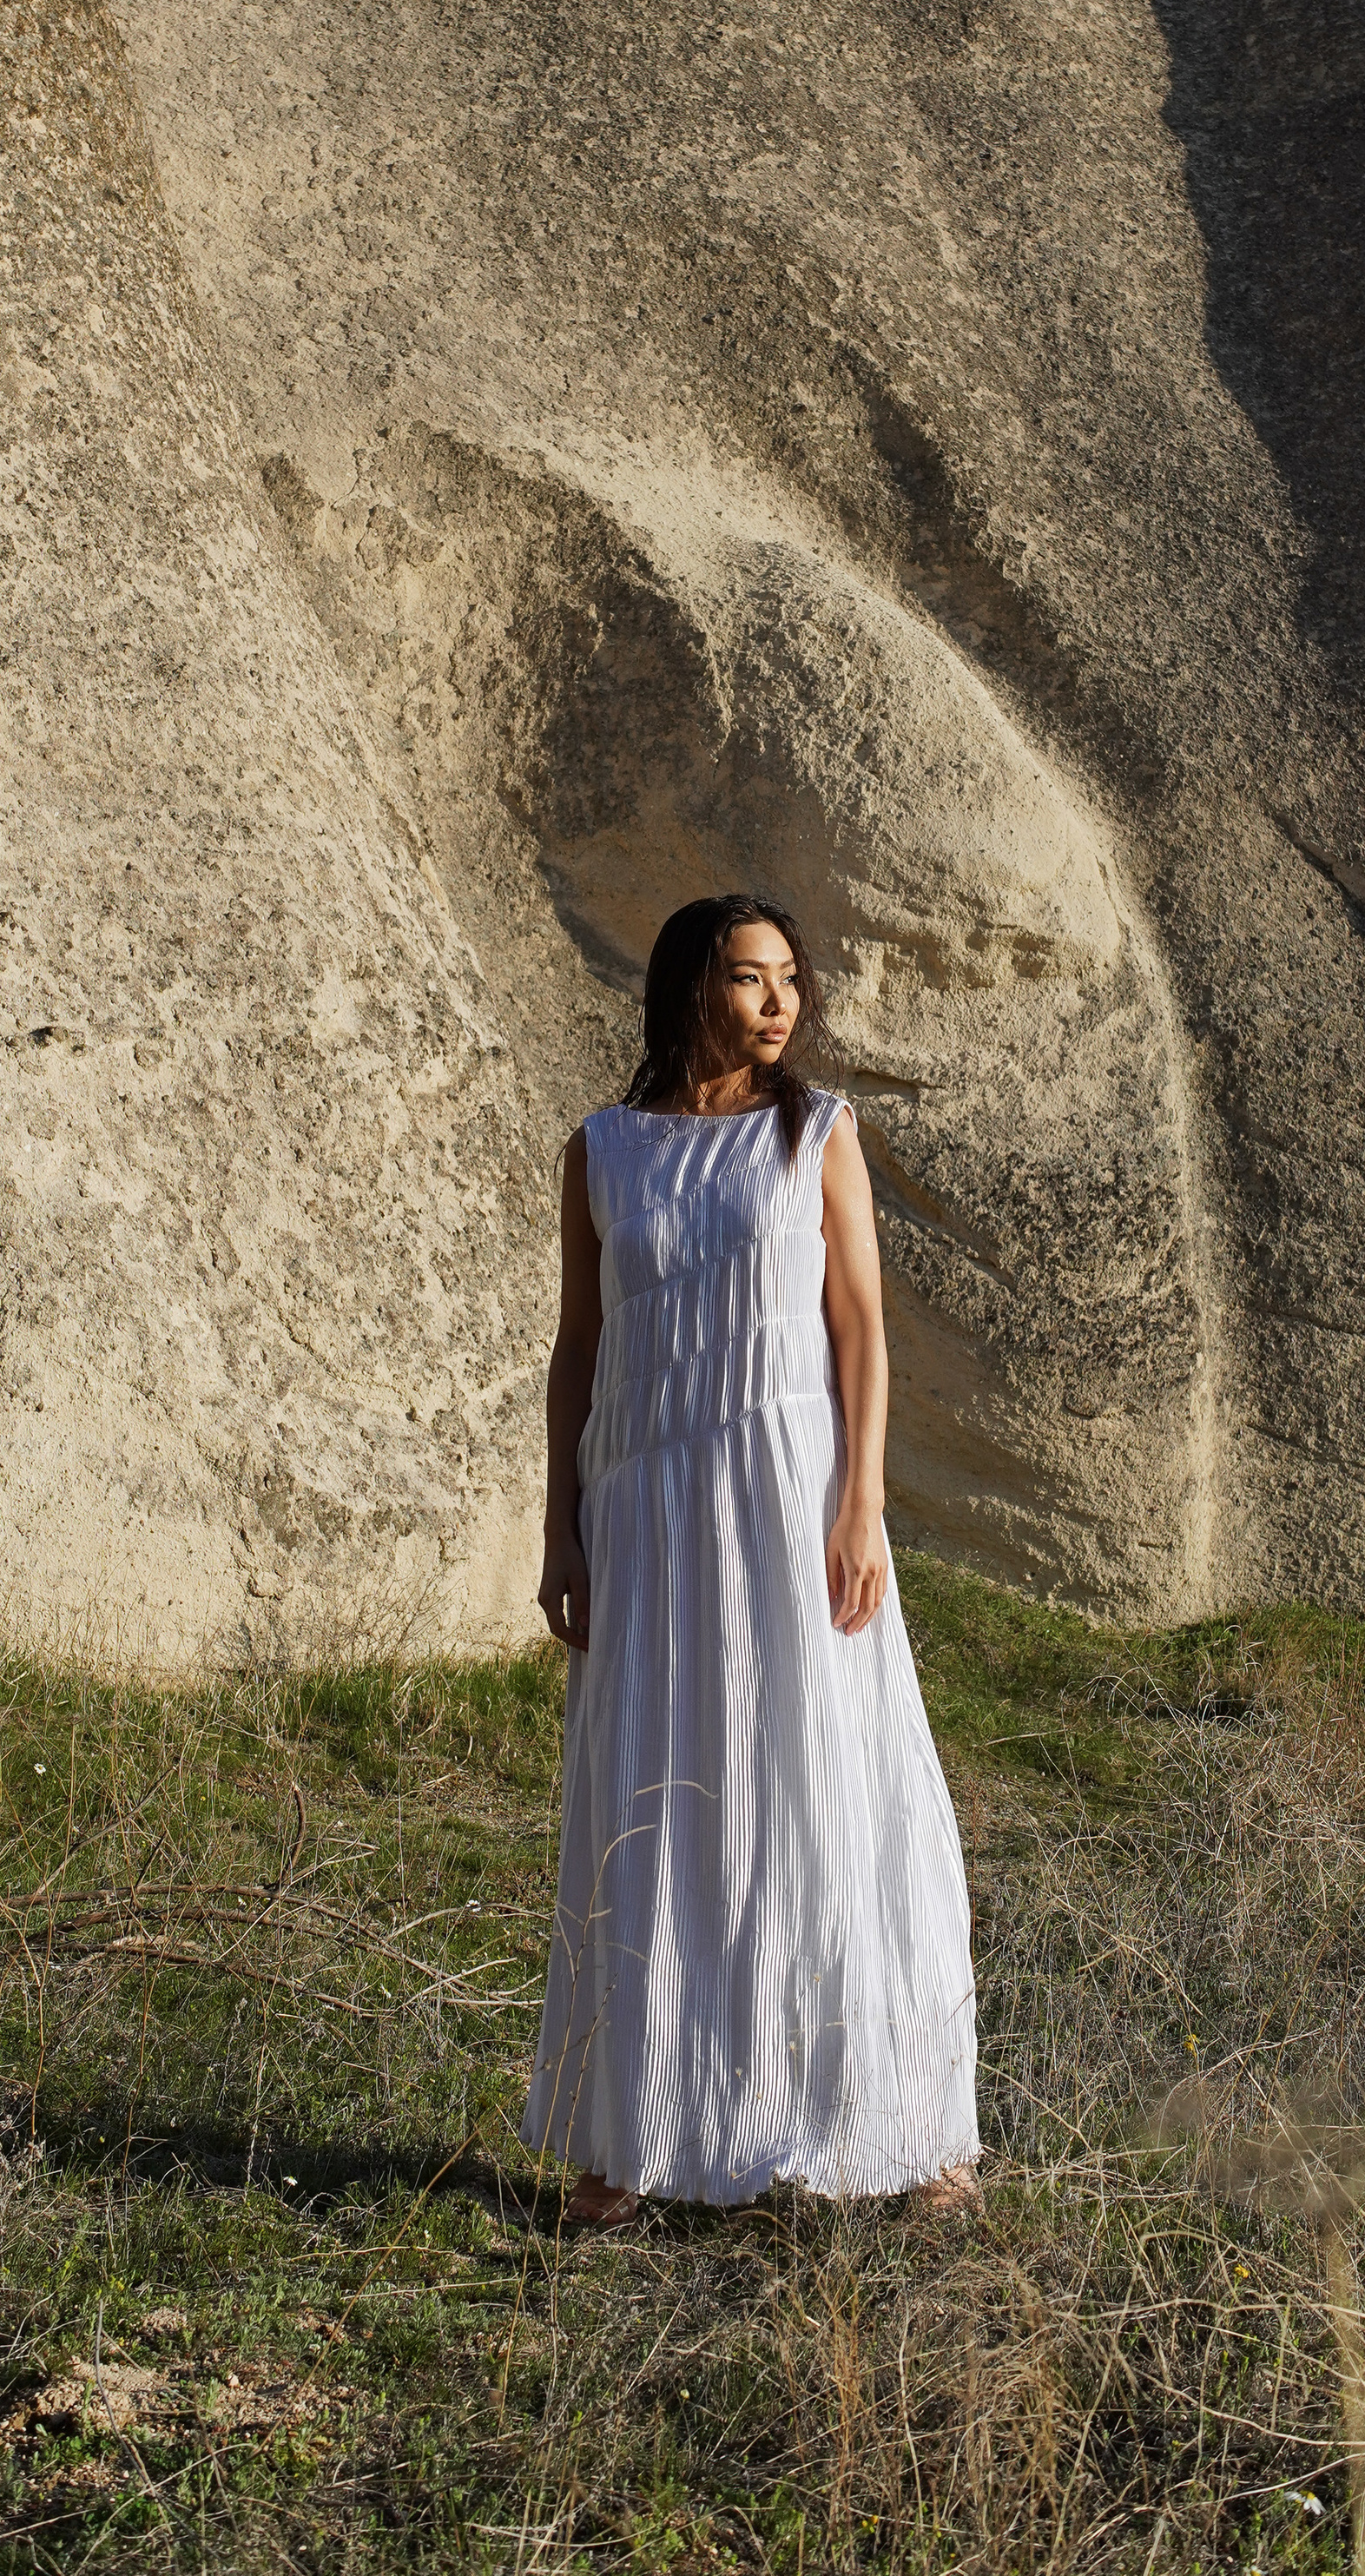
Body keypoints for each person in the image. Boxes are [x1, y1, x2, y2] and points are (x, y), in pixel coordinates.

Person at [522, 893, 980, 2224]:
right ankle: (634, 2139)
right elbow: (578, 1349)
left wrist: (861, 1507)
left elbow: (862, 1335)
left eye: (789, 979)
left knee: (825, 1780)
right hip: (647, 1504)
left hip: (788, 1492)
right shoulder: (603, 1150)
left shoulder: (817, 1134)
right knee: (656, 1790)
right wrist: (562, 1524)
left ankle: (907, 2135)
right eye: (747, 977)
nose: (779, 1001)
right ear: (688, 987)